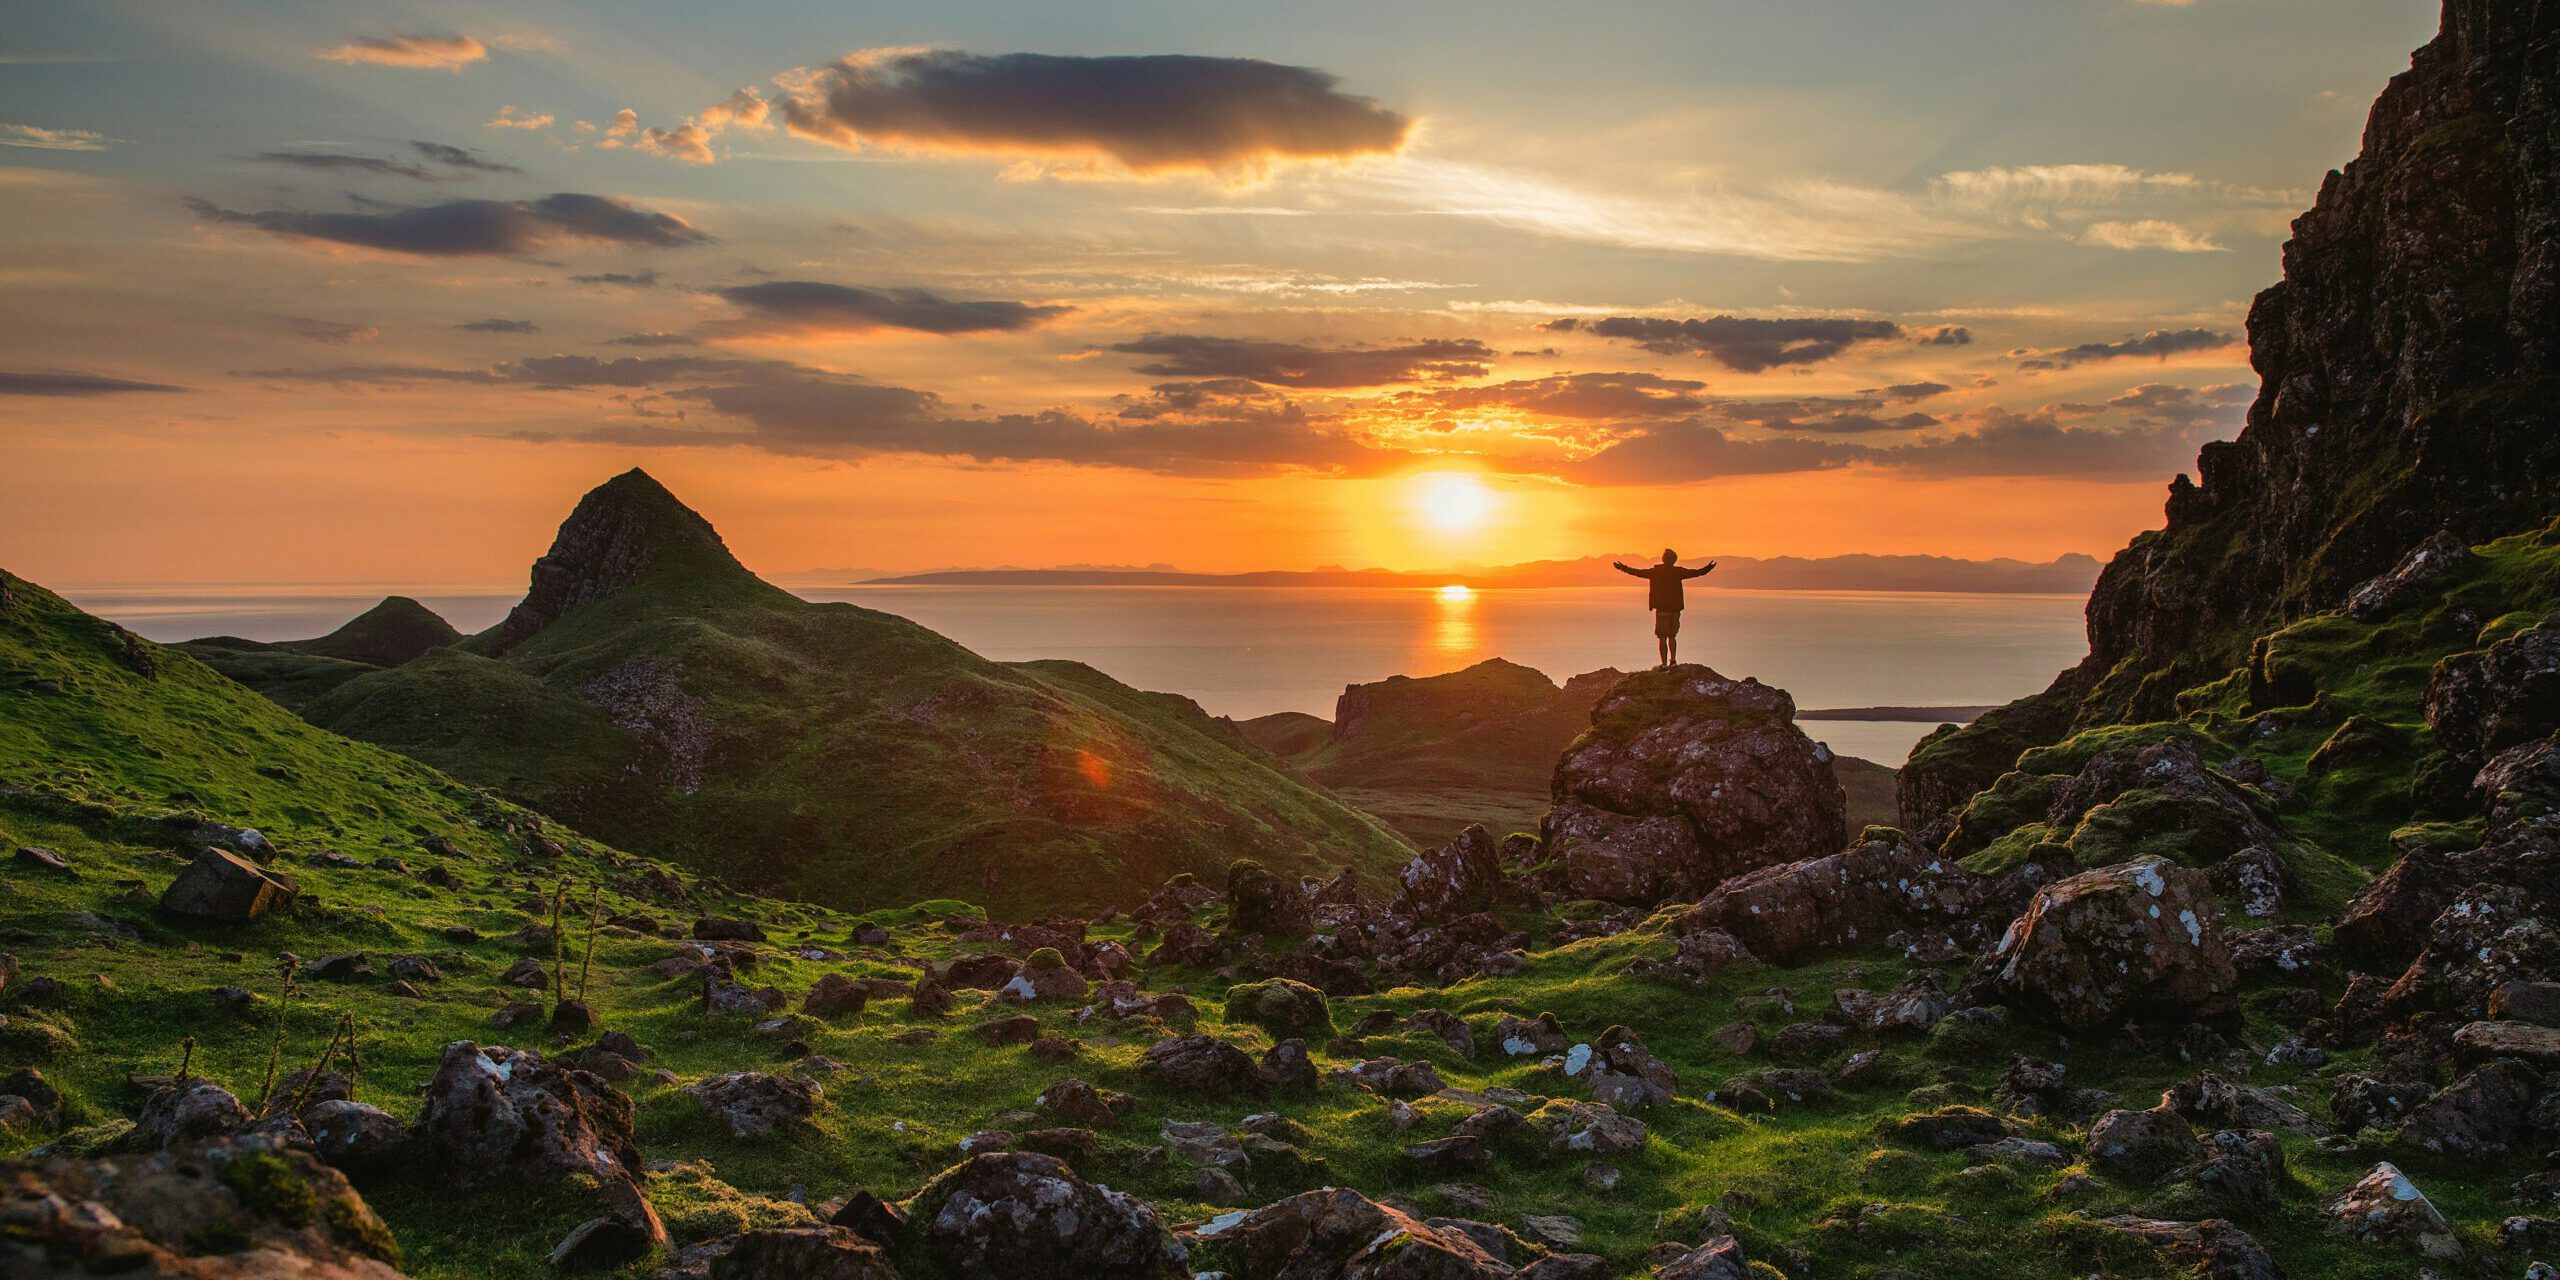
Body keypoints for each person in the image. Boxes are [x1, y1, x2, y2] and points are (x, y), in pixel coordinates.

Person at [1612, 550, 1716, 669]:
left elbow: (1637, 572)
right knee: (1672, 636)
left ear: (1663, 559)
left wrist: (1622, 567)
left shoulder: (1656, 572)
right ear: (1674, 560)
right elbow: (1698, 573)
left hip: (1662, 610)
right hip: (1675, 609)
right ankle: (1673, 661)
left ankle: (1664, 664)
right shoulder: (1678, 572)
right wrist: (1709, 568)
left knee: (1662, 637)